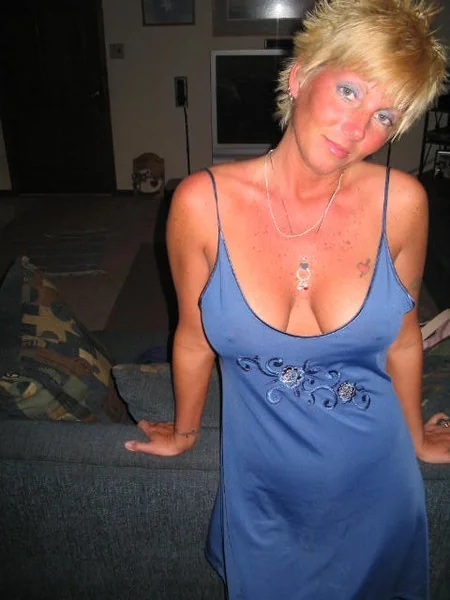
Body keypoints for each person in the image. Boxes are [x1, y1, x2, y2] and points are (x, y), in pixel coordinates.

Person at [125, 0, 450, 597]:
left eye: (384, 115)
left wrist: (418, 438)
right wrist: (185, 432)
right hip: (264, 502)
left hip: (379, 494)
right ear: (300, 77)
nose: (358, 129)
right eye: (349, 91)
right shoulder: (201, 203)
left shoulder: (403, 203)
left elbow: (404, 341)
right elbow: (193, 338)